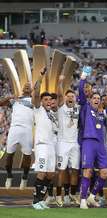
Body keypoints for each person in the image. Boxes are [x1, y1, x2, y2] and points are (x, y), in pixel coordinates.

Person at [78, 69, 107, 209]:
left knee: (104, 172)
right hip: (88, 142)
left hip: (100, 145)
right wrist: (83, 77)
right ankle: (83, 199)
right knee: (87, 171)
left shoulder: (102, 113)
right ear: (90, 100)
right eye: (94, 98)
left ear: (100, 102)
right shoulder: (85, 108)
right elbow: (81, 93)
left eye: (98, 99)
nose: (96, 100)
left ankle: (92, 195)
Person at [32, 68, 58, 210]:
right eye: (45, 99)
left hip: (51, 147)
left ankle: (41, 199)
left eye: (50, 100)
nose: (48, 101)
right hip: (41, 145)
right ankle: (35, 201)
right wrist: (41, 76)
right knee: (41, 173)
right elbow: (36, 92)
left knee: (50, 174)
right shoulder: (38, 109)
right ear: (41, 101)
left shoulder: (52, 114)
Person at [1, 83, 33, 190]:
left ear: (32, 89)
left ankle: (24, 178)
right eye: (25, 85)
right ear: (22, 88)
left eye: (29, 86)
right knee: (9, 155)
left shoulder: (34, 101)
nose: (27, 86)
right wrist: (9, 97)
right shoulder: (15, 100)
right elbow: (0, 104)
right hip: (14, 129)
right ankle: (9, 176)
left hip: (27, 130)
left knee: (27, 156)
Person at [55, 75, 80, 206]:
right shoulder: (61, 108)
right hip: (62, 143)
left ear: (75, 99)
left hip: (75, 143)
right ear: (65, 98)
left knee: (75, 169)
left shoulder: (78, 108)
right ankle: (59, 195)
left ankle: (72, 194)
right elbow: (59, 95)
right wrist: (60, 82)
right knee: (61, 170)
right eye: (68, 96)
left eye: (72, 96)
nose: (70, 98)